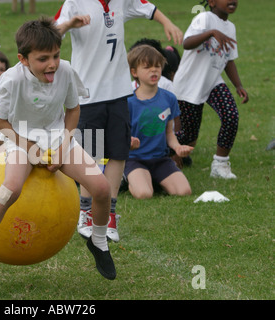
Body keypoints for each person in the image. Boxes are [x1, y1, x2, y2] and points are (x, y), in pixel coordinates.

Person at [0, 17, 117, 280]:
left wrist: (64, 146)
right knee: (11, 189)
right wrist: (28, 147)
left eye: (55, 55)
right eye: (43, 59)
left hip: (57, 139)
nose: (52, 63)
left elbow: (73, 109)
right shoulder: (12, 80)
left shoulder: (64, 71)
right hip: (20, 139)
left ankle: (98, 242)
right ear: (23, 59)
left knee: (101, 188)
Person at [55, 0, 183, 242]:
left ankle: (109, 215)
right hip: (89, 95)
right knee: (90, 156)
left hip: (119, 93)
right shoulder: (74, 2)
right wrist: (69, 24)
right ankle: (86, 211)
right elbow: (50, 35)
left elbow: (148, 8)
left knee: (118, 153)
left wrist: (167, 22)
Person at [173, 0, 249, 179]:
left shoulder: (230, 27)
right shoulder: (204, 18)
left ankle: (220, 164)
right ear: (212, 2)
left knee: (231, 116)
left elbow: (229, 59)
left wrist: (238, 85)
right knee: (188, 136)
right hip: (189, 84)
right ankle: (167, 156)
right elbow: (187, 43)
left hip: (213, 81)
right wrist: (212, 33)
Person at [125, 45, 193, 199]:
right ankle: (127, 179)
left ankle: (153, 179)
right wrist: (127, 141)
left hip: (161, 159)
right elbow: (119, 134)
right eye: (147, 67)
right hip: (135, 160)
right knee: (144, 194)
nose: (153, 70)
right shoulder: (128, 102)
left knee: (184, 192)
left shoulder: (169, 98)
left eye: (157, 66)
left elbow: (169, 133)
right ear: (134, 72)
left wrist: (178, 148)